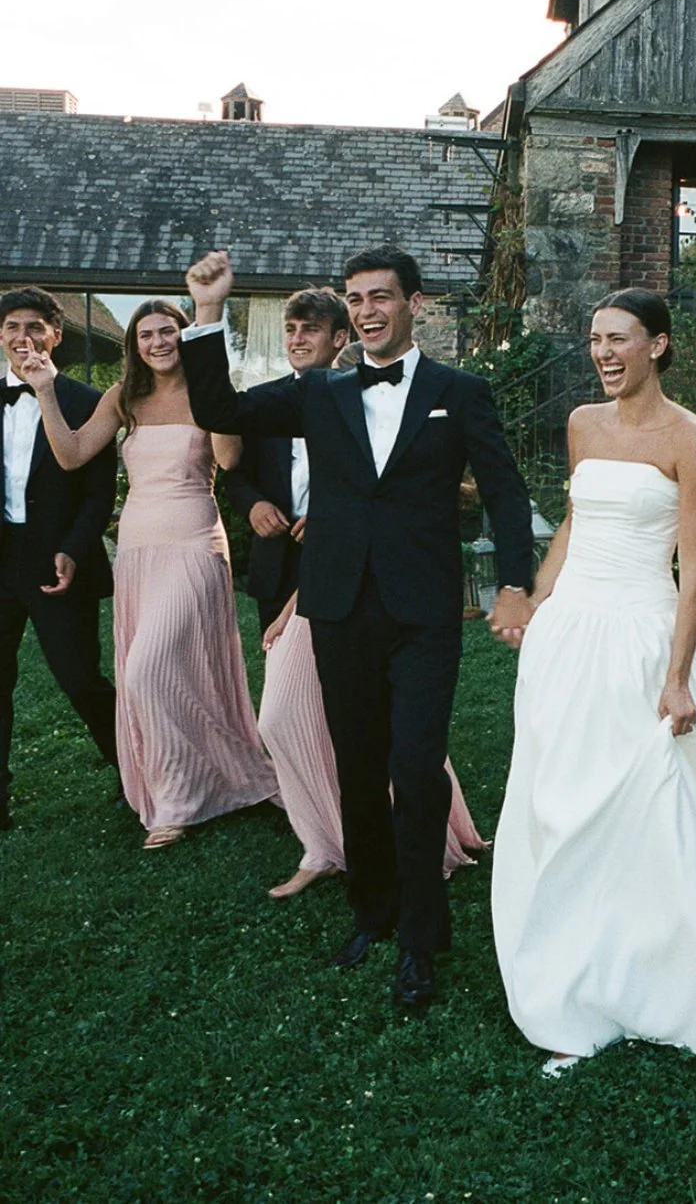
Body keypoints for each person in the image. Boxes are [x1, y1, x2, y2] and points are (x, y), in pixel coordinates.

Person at [180, 247, 533, 1009]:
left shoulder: (459, 391)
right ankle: (372, 911)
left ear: (413, 302)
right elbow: (221, 412)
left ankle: (421, 939)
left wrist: (514, 584)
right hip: (337, 606)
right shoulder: (318, 392)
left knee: (415, 766)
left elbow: (506, 493)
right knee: (358, 770)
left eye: (381, 296)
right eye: (356, 298)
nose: (368, 309)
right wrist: (208, 313)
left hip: (424, 614)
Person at [492, 289, 696, 1076]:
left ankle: (663, 965)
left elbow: (694, 568)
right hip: (572, 634)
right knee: (562, 801)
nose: (603, 354)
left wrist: (676, 676)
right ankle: (575, 970)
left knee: (644, 805)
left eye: (620, 340)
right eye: (596, 340)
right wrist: (537, 599)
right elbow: (575, 521)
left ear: (658, 346)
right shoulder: (581, 424)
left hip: (645, 637)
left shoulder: (690, 438)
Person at [22, 300, 278, 849]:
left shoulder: (210, 392)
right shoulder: (125, 397)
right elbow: (71, 455)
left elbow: (230, 461)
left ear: (183, 338)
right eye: (146, 335)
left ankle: (180, 798)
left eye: (168, 332)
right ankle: (204, 777)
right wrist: (46, 389)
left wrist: (215, 385)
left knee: (144, 672)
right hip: (138, 549)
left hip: (194, 543)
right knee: (171, 674)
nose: (158, 342)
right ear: (135, 345)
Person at [260, 590, 487, 897]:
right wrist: (289, 612)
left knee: (378, 718)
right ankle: (321, 848)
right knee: (277, 719)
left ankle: (407, 842)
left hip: (376, 591)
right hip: (320, 592)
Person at [0, 287, 119, 830]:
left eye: (33, 328)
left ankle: (136, 773)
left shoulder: (85, 401)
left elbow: (99, 495)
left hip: (57, 561)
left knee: (80, 679)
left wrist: (72, 549)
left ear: (56, 334)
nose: (21, 338)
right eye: (10, 328)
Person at [224, 289, 350, 634]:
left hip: (340, 558)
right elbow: (235, 473)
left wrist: (332, 516)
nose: (297, 339)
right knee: (281, 673)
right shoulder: (263, 400)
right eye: (290, 329)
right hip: (276, 559)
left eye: (310, 329)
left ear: (340, 337)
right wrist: (254, 505)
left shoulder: (361, 401)